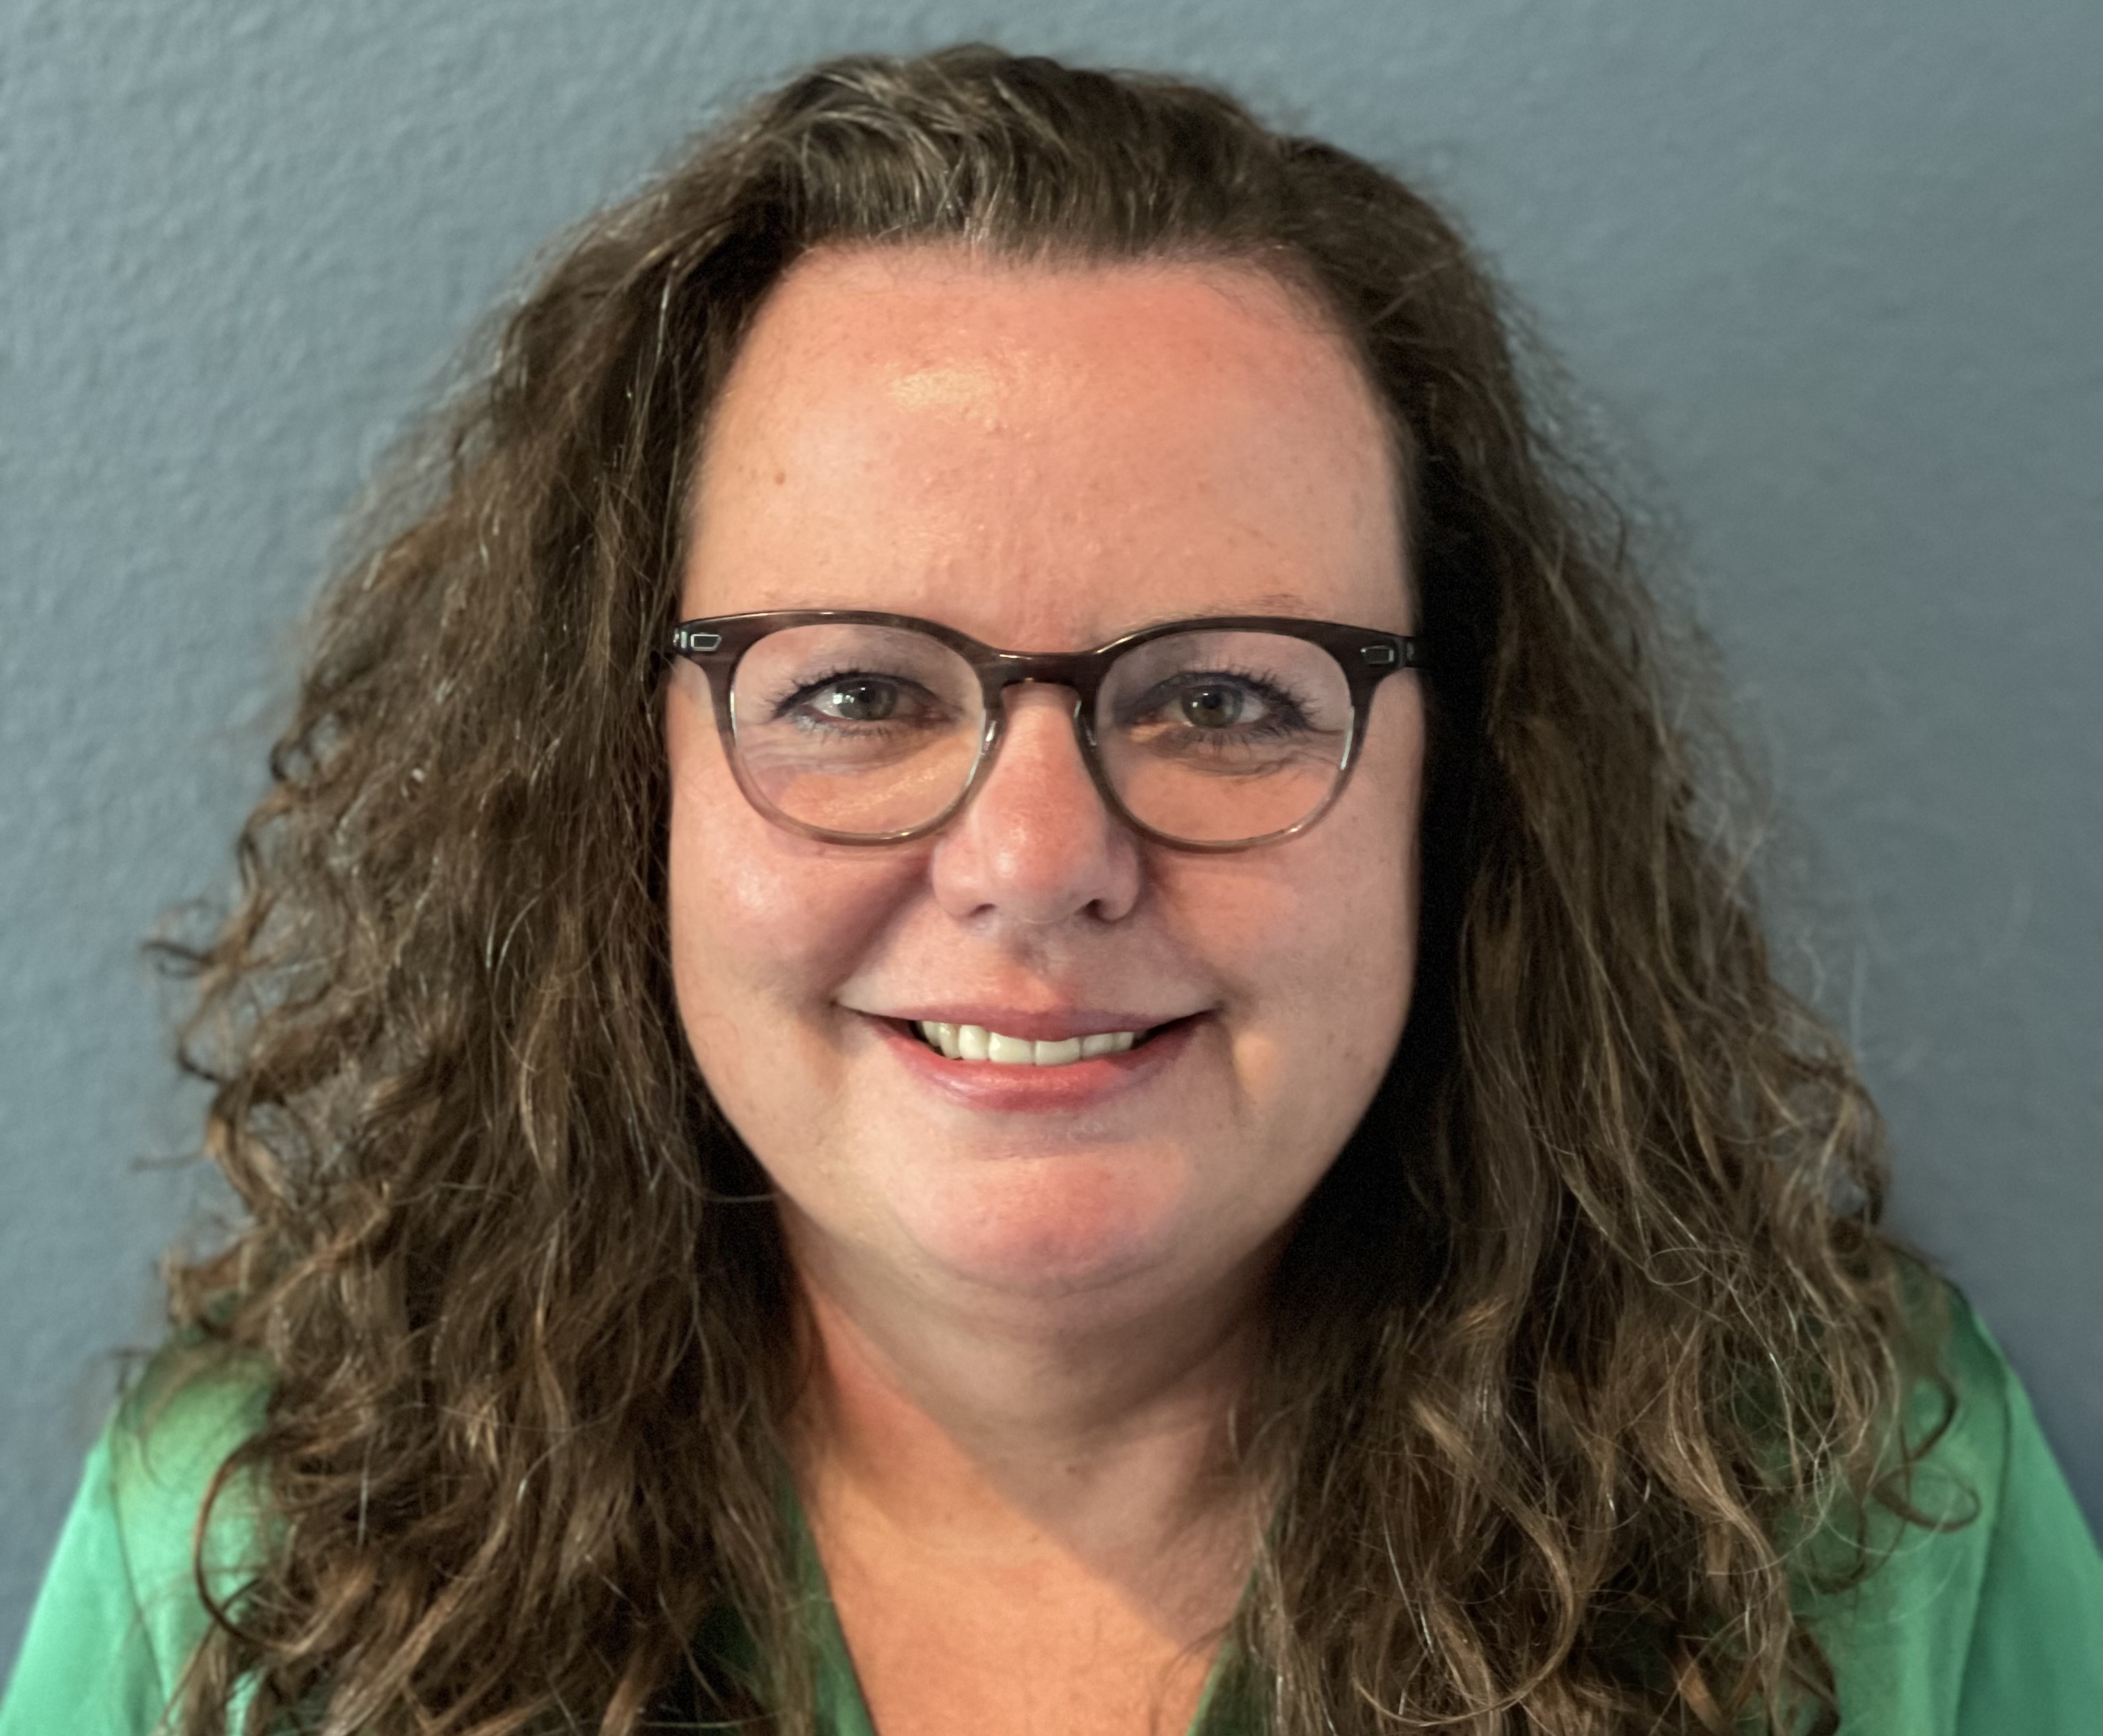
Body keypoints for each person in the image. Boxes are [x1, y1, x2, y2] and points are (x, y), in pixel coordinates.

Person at [2, 45, 2096, 1736]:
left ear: (1456, 798)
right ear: (603, 784)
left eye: (1219, 699)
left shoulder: (1865, 1519)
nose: (1032, 862)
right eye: (850, 690)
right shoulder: (254, 1546)